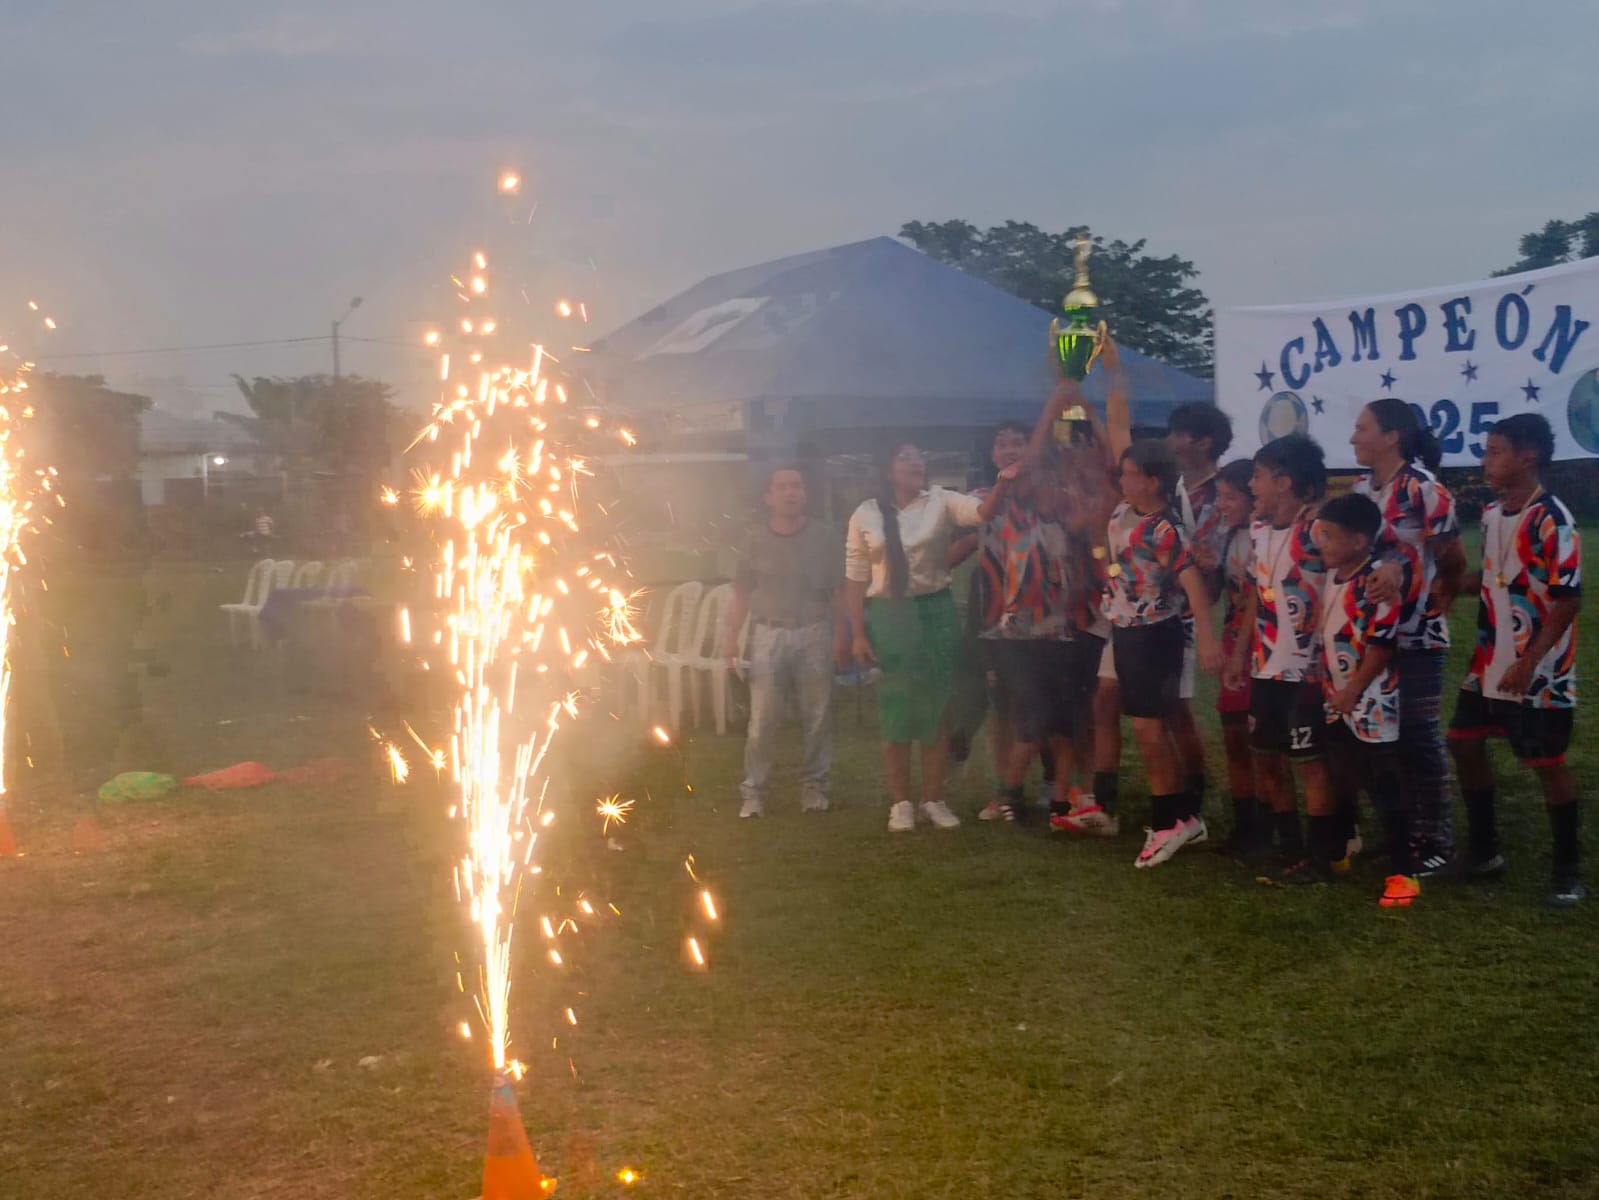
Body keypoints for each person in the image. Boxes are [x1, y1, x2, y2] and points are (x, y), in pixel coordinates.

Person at [1447, 414, 1584, 907]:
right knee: (1463, 743)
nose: (1485, 461)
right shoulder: (1491, 514)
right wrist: (1447, 588)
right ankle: (1485, 852)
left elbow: (1567, 599)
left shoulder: (1553, 519)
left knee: (1546, 764)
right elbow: (1494, 577)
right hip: (1489, 660)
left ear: (1528, 456)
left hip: (1540, 670)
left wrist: (1530, 661)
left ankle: (1567, 870)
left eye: (1495, 452)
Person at [846, 444, 1018, 833]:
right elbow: (855, 575)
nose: (915, 463)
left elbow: (983, 513)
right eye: (905, 458)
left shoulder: (940, 501)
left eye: (918, 457)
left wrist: (1003, 483)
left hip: (935, 610)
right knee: (896, 707)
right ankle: (901, 803)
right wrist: (856, 632)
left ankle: (934, 798)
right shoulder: (866, 513)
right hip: (890, 613)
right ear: (888, 471)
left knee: (938, 705)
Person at [1350, 399, 1467, 876]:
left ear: (1391, 436)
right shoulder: (1362, 490)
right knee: (1382, 738)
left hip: (1417, 637)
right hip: (1371, 635)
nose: (1353, 438)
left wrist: (1437, 600)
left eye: (1362, 429)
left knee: (1419, 739)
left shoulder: (1424, 489)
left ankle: (1437, 840)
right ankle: (1402, 834)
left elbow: (1453, 559)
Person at [1101, 438, 1221, 868]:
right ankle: (1181, 818)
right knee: (1149, 730)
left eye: (1130, 474)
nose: (1122, 480)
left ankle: (1168, 822)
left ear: (1153, 481)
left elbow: (1191, 583)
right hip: (1126, 631)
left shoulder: (1165, 529)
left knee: (1151, 732)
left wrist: (1206, 638)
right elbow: (1119, 561)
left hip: (1154, 635)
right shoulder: (1121, 513)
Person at [1225, 434, 1329, 876]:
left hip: (1307, 670)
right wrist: (1240, 653)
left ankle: (1323, 854)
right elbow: (1255, 593)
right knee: (1266, 754)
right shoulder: (1260, 531)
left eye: (1259, 477)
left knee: (1310, 762)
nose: (1252, 485)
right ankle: (1289, 845)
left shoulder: (1318, 531)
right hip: (1265, 665)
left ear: (1284, 482)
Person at [723, 465, 849, 819]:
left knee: (818, 716)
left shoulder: (825, 537)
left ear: (805, 494)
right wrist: (731, 638)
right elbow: (741, 592)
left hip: (814, 632)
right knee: (762, 719)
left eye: (797, 486)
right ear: (769, 497)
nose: (791, 492)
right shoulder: (753, 539)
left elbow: (838, 591)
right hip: (768, 634)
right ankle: (754, 790)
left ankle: (814, 787)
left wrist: (842, 635)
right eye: (782, 487)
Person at [1312, 493, 1419, 902]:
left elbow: (1382, 644)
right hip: (1337, 695)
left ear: (1359, 541)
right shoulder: (1334, 576)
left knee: (1384, 785)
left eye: (1330, 536)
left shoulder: (1377, 583)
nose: (1322, 543)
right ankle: (1339, 850)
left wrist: (1353, 690)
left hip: (1372, 699)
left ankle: (1403, 872)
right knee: (1342, 775)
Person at [1211, 459, 1259, 853]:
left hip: (1261, 646)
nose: (1221, 505)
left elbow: (1258, 597)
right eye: (1219, 496)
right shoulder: (1227, 536)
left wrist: (1241, 651)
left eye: (1230, 497)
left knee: (1262, 738)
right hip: (1234, 643)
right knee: (1234, 733)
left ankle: (1271, 821)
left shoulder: (1264, 536)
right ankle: (1246, 824)